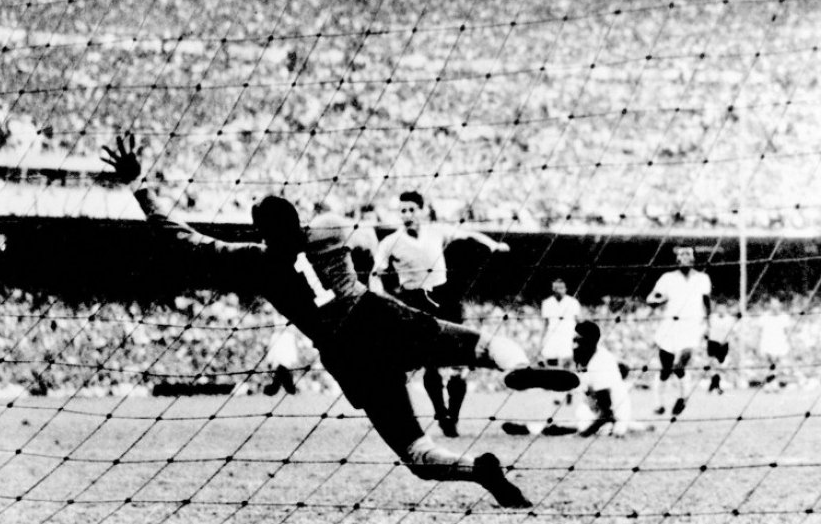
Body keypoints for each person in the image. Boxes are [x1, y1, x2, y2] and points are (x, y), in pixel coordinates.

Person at [101, 136, 579, 509]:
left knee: (416, 453)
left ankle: (479, 470)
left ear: (262, 232)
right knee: (481, 346)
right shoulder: (329, 227)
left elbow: (181, 240)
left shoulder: (256, 261)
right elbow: (367, 238)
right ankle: (515, 369)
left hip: (347, 353)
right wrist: (371, 269)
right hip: (378, 314)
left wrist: (139, 187)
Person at [370, 190, 510, 438]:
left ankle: (453, 416)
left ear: (422, 211)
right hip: (415, 300)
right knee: (429, 361)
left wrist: (493, 245)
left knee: (461, 360)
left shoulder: (436, 231)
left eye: (412, 209)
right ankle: (440, 413)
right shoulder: (390, 242)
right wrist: (379, 294)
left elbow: (469, 235)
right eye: (403, 210)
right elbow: (375, 273)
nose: (407, 215)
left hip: (445, 297)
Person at [503, 321, 650, 438]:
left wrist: (583, 435)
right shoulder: (588, 358)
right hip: (597, 410)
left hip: (611, 417)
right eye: (573, 341)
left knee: (570, 426)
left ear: (590, 343)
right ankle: (531, 429)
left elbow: (607, 413)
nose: (574, 346)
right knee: (576, 416)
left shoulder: (599, 365)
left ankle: (531, 430)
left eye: (578, 341)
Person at [646, 245, 712, 417]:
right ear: (677, 259)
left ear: (693, 258)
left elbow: (707, 302)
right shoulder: (667, 278)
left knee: (679, 365)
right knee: (666, 369)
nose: (684, 256)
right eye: (681, 254)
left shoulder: (702, 278)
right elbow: (651, 298)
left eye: (688, 254)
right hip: (669, 328)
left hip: (691, 328)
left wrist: (708, 324)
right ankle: (659, 403)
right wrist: (659, 301)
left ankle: (682, 398)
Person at [539, 277, 581, 405]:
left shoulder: (572, 302)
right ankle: (557, 395)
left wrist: (579, 338)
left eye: (562, 288)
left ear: (566, 289)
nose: (559, 291)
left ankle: (569, 393)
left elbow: (579, 321)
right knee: (553, 368)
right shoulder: (547, 303)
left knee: (567, 367)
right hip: (552, 338)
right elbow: (545, 324)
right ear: (553, 289)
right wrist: (541, 342)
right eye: (556, 288)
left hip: (567, 337)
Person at [706, 302, 736, 394]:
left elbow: (733, 331)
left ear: (726, 309)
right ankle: (716, 386)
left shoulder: (730, 319)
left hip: (724, 344)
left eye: (723, 308)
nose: (721, 310)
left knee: (720, 366)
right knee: (714, 364)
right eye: (719, 308)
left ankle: (714, 385)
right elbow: (708, 329)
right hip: (713, 343)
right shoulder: (712, 317)